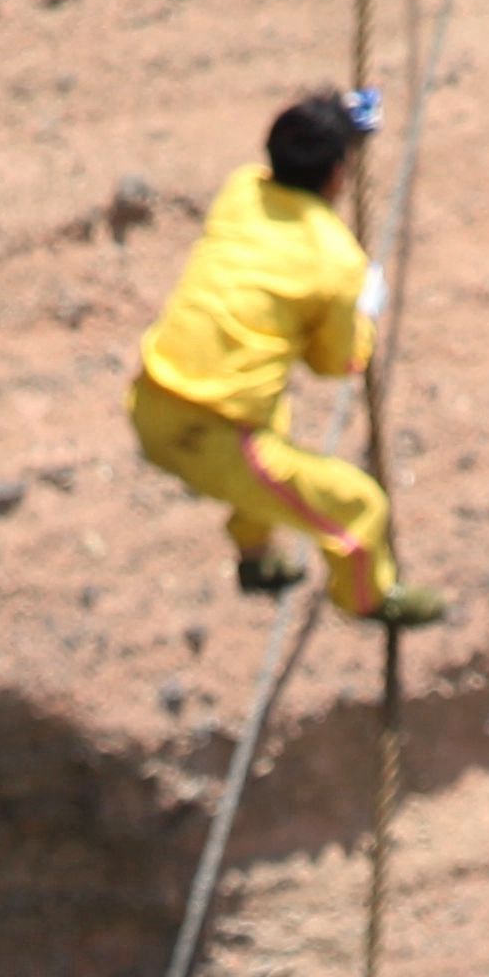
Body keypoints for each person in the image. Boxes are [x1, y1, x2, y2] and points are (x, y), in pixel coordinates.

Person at [129, 89, 451, 628]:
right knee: (357, 507)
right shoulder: (335, 259)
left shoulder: (243, 190)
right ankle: (369, 598)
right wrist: (362, 312)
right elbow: (337, 363)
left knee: (271, 424)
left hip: (151, 398)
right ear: (337, 175)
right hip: (213, 436)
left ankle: (256, 559)